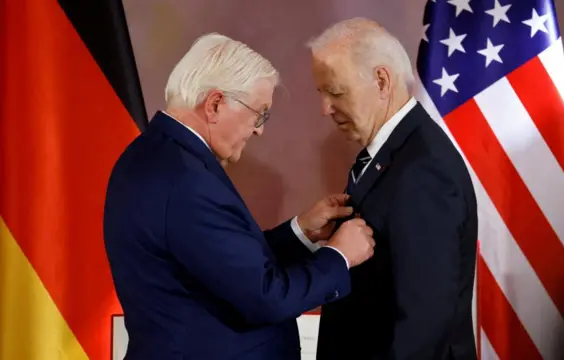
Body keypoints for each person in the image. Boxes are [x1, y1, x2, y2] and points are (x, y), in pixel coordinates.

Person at [103, 32, 375, 360]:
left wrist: (299, 231)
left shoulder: (154, 155)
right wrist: (339, 255)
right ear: (216, 103)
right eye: (259, 113)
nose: (259, 129)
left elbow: (219, 263)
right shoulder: (187, 180)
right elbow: (266, 298)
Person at [306, 18, 479, 359]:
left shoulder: (423, 170)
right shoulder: (394, 152)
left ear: (381, 80)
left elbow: (423, 323)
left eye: (336, 92)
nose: (325, 109)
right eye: (321, 93)